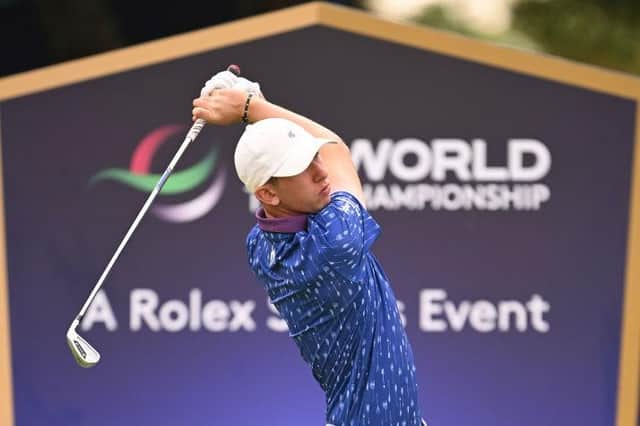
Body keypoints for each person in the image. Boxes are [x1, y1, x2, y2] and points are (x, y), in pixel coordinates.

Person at [192, 71, 426, 426]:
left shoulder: (260, 244)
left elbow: (316, 157)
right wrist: (253, 108)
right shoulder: (335, 242)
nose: (321, 172)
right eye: (302, 167)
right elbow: (335, 149)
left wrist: (254, 118)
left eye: (311, 157)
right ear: (268, 194)